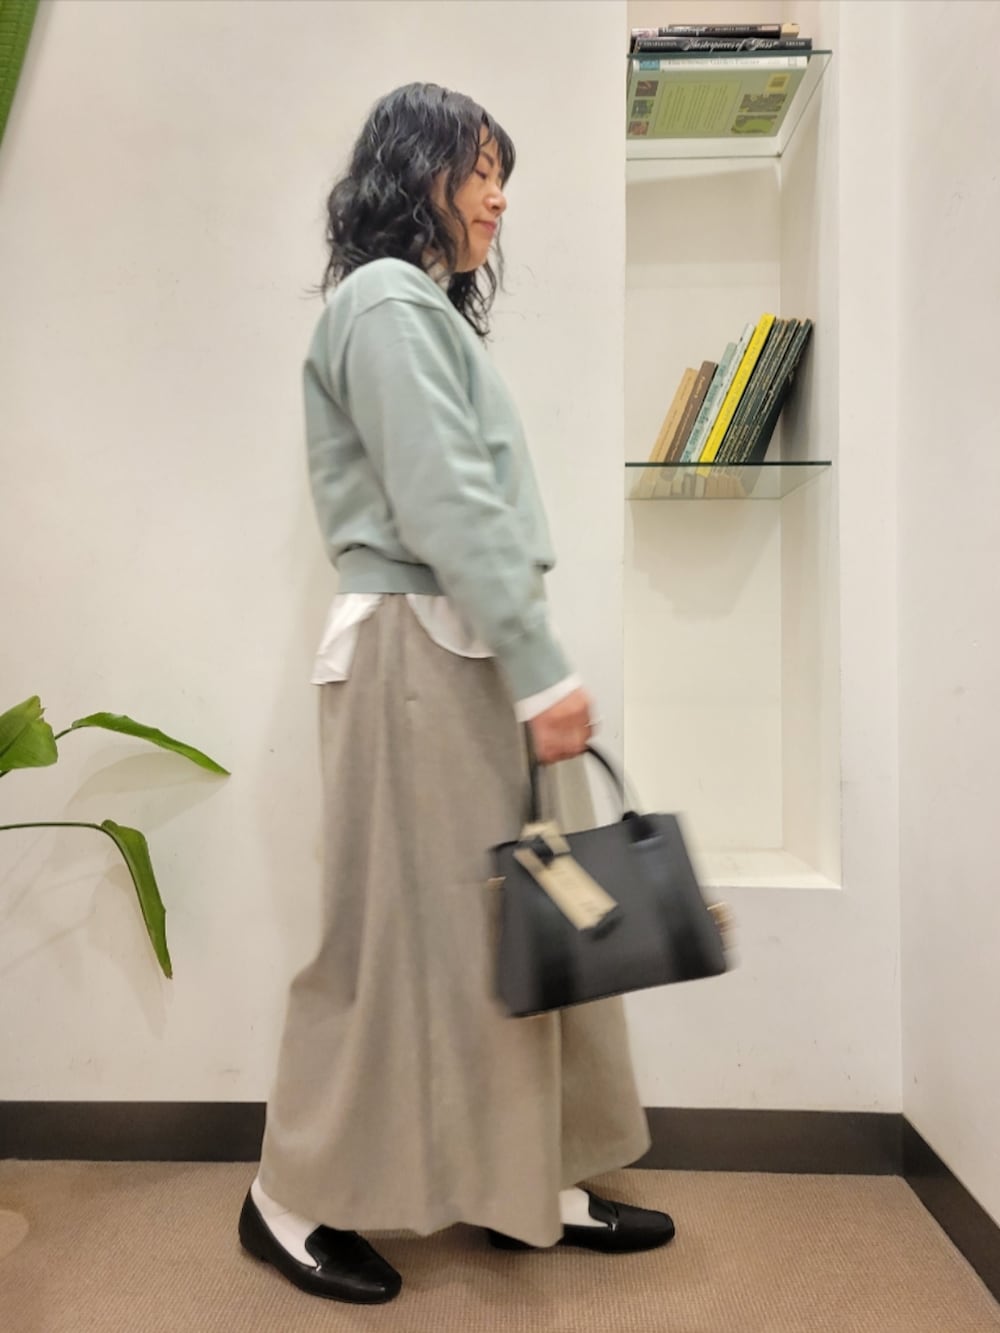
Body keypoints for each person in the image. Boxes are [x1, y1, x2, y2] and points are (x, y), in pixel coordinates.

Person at [238, 82, 672, 1306]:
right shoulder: (385, 301)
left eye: (503, 175)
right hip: (420, 658)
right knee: (390, 939)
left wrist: (523, 655)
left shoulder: (417, 311)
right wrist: (540, 662)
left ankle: (526, 1180)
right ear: (416, 171)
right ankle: (286, 1199)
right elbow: (443, 500)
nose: (498, 198)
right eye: (480, 170)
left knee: (523, 926)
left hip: (461, 649)